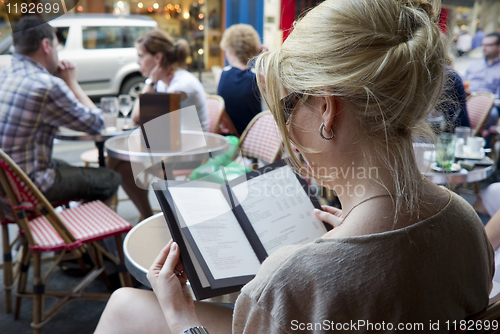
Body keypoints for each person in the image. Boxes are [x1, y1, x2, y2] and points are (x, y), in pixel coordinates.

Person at [95, 1, 494, 333]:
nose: (286, 124)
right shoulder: (468, 224)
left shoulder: (291, 282)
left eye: (288, 106)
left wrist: (182, 318)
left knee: (122, 306)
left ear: (327, 108)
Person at [0, 16, 120, 205]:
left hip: (6, 190)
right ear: (46, 46)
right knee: (109, 179)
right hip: (29, 189)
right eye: (57, 47)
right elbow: (98, 124)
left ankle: (63, 226)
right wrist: (72, 83)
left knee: (69, 168)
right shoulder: (47, 85)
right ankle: (84, 231)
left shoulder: (4, 74)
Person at [110, 29, 209, 219]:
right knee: (116, 160)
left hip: (191, 153)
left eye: (140, 56)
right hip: (170, 146)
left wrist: (149, 80)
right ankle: (146, 214)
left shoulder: (181, 85)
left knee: (120, 161)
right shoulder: (165, 83)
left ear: (158, 58)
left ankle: (149, 216)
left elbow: (137, 117)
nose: (137, 62)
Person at [217, 24, 262, 135]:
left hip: (228, 138)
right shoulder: (259, 77)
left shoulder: (221, 74)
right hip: (251, 137)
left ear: (229, 49)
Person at [464, 32, 500, 144]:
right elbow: (463, 82)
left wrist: (483, 101)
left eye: (489, 45)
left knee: (492, 113)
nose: (484, 48)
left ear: (498, 47)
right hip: (467, 99)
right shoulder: (475, 64)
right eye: (483, 44)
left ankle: (483, 145)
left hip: (489, 104)